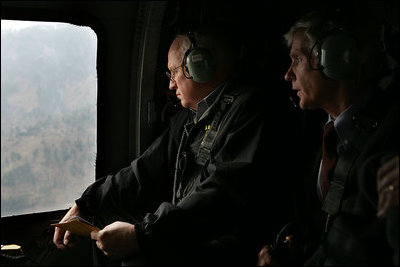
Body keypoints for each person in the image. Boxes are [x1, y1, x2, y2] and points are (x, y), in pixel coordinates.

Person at [53, 25, 289, 265]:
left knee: (135, 257)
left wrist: (142, 234)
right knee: (103, 221)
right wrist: (87, 203)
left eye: (172, 73)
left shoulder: (249, 110)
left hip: (224, 239)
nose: (171, 85)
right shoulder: (190, 119)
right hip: (191, 231)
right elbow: (143, 171)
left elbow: (220, 194)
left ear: (199, 66)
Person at [258, 5, 399, 266]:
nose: (288, 74)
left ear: (336, 56)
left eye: (297, 59)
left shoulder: (389, 135)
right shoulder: (313, 133)